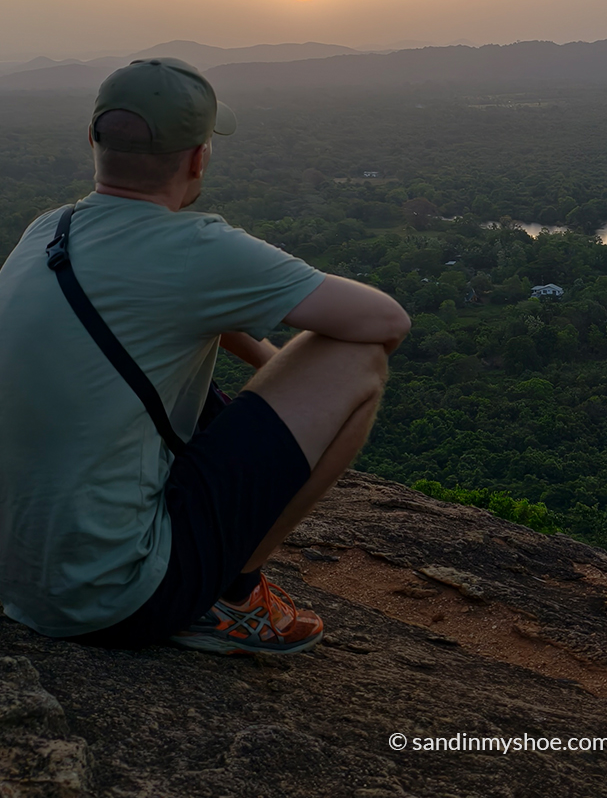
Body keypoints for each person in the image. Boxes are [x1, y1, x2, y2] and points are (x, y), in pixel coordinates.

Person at [0, 57, 411, 655]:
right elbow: (386, 323)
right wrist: (296, 398)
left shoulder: (48, 230)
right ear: (198, 157)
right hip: (112, 599)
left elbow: (185, 309)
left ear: (93, 139)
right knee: (359, 362)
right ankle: (234, 596)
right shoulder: (195, 247)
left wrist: (275, 372)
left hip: (17, 576)